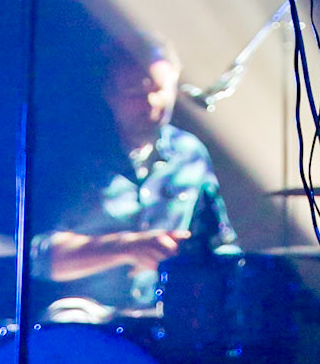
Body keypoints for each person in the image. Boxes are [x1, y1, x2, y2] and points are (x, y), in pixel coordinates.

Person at [33, 36, 235, 320]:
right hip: (87, 312)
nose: (151, 102)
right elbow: (39, 256)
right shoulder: (74, 155)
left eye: (160, 89)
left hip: (167, 314)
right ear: (109, 93)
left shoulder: (190, 154)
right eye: (133, 91)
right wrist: (129, 247)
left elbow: (219, 242)